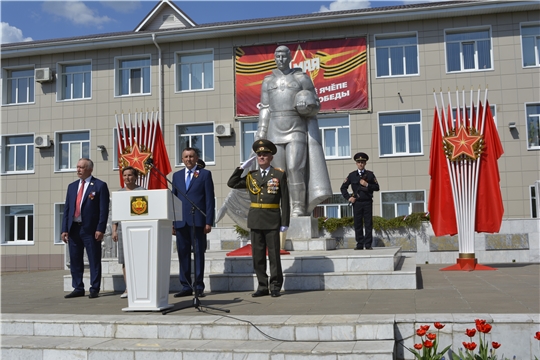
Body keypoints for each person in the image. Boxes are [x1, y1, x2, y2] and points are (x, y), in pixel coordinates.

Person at [255, 45, 331, 216]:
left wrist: (308, 105)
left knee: (295, 168)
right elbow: (265, 108)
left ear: (290, 58)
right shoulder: (268, 81)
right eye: (277, 56)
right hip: (275, 129)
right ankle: (282, 206)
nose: (280, 59)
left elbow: (316, 104)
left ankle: (298, 206)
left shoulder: (301, 78)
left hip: (296, 128)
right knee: (278, 173)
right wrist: (261, 130)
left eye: (283, 56)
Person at [227, 139, 290, 297]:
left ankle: (275, 286)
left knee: (274, 255)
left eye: (265, 154)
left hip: (272, 219)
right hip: (255, 220)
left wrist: (285, 222)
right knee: (258, 255)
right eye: (259, 155)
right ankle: (262, 286)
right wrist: (241, 168)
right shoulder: (251, 176)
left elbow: (285, 200)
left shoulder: (278, 174)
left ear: (271, 157)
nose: (262, 157)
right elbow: (232, 183)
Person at [62, 158, 110, 299]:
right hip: (74, 229)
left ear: (90, 169)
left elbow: (103, 210)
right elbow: (67, 210)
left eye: (81, 167)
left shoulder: (99, 186)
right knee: (75, 259)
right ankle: (78, 287)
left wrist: (100, 228)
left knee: (94, 259)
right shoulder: (72, 187)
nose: (78, 170)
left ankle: (94, 288)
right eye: (77, 167)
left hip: (90, 229)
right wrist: (64, 229)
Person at [172, 148, 215, 298]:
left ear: (196, 158)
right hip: (181, 222)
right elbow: (174, 200)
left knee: (198, 254)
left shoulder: (205, 174)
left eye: (191, 156)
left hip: (198, 222)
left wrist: (208, 221)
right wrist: (173, 221)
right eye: (186, 157)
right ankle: (186, 286)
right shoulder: (176, 176)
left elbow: (210, 200)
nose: (189, 159)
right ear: (182, 159)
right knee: (182, 254)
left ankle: (198, 286)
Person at [111, 166, 145, 298]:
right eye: (125, 175)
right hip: (122, 229)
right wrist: (114, 230)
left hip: (139, 229)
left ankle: (141, 287)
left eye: (130, 175)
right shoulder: (119, 193)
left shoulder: (142, 191)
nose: (127, 178)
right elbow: (115, 214)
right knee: (125, 260)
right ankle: (128, 288)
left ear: (136, 177)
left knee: (139, 260)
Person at [340, 152, 380, 250]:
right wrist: (349, 198)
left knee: (368, 223)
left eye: (362, 162)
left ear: (365, 163)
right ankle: (359, 244)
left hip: (367, 202)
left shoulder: (370, 175)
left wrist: (367, 185)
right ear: (356, 163)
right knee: (357, 223)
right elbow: (343, 188)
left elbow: (377, 187)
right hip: (357, 202)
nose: (361, 164)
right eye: (359, 162)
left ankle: (368, 244)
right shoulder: (352, 175)